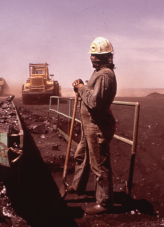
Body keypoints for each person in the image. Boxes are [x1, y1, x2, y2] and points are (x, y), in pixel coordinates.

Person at [69, 37, 117, 215]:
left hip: (97, 127)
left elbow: (95, 102)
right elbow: (90, 92)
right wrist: (82, 86)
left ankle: (105, 203)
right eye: (93, 56)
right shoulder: (98, 73)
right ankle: (77, 186)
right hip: (89, 125)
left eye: (98, 56)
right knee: (81, 155)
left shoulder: (105, 75)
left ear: (107, 57)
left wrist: (81, 88)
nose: (93, 59)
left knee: (99, 164)